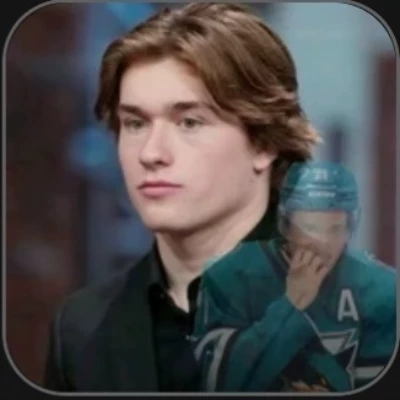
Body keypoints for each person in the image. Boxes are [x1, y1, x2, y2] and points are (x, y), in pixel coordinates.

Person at [43, 3, 321, 392]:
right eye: (135, 123)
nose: (151, 153)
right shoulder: (81, 328)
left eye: (189, 122)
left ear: (264, 143)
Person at [193, 161, 397, 392]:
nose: (323, 244)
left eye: (335, 229)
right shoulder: (230, 276)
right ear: (285, 225)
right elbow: (217, 384)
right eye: (310, 228)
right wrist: (291, 304)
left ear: (351, 226)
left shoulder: (382, 290)